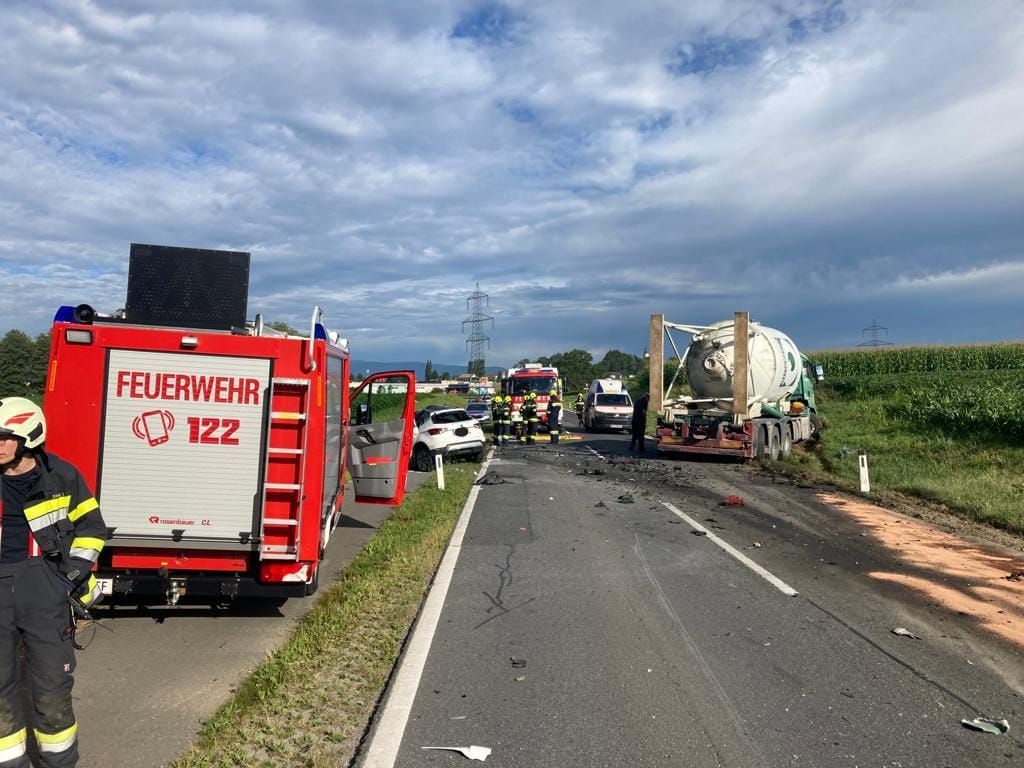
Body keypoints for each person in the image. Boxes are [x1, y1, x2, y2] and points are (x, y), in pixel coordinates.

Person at [0, 397, 106, 768]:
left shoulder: (61, 477)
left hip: (45, 587)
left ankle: (57, 763)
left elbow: (92, 528)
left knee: (50, 689)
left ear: (28, 438)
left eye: (3, 437)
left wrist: (69, 578)